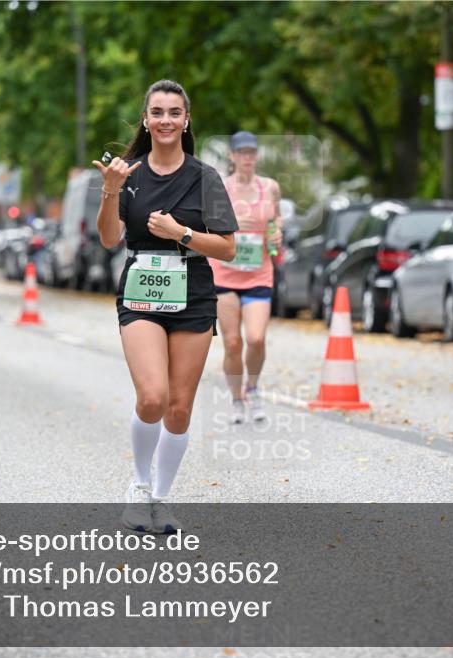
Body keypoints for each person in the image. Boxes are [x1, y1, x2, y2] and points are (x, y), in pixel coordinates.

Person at [93, 79, 238, 534]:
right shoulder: (129, 175)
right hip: (141, 291)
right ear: (146, 119)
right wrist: (111, 190)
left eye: (174, 112)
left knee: (178, 408)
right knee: (152, 396)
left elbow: (228, 248)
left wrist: (182, 233)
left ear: (186, 120)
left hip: (193, 292)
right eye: (157, 112)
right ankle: (138, 486)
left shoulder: (205, 177)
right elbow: (109, 238)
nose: (166, 120)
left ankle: (160, 498)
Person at [211, 132, 283, 424]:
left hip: (258, 273)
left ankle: (252, 387)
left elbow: (276, 218)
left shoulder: (270, 187)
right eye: (242, 153)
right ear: (232, 156)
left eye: (252, 152)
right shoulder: (220, 188)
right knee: (232, 343)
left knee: (256, 338)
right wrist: (232, 223)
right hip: (224, 274)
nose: (247, 157)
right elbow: (206, 223)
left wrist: (277, 231)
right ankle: (236, 399)